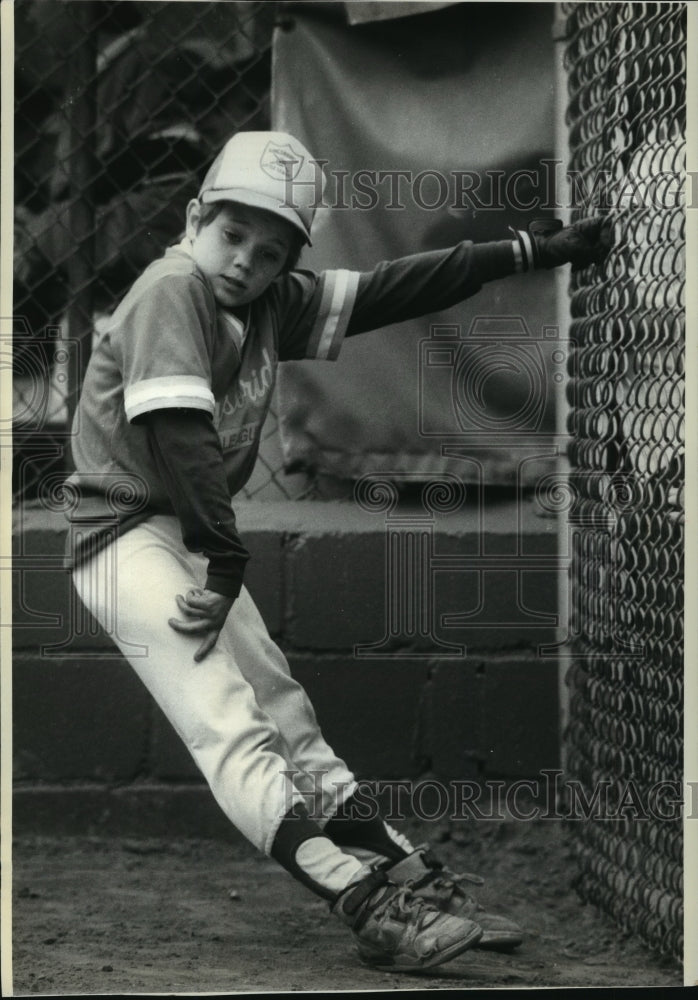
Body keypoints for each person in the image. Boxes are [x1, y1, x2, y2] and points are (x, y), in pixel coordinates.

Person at [64, 130, 608, 973]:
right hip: (124, 536)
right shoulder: (174, 289)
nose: (246, 259)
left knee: (292, 726)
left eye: (272, 247)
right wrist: (227, 558)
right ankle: (365, 902)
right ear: (193, 217)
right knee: (230, 723)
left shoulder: (267, 302)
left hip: (195, 538)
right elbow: (177, 433)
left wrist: (527, 250)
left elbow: (393, 288)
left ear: (288, 261)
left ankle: (404, 873)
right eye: (232, 233)